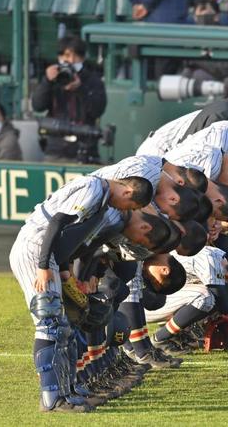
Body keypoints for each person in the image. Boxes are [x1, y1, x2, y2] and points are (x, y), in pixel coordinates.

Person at [9, 175, 152, 412]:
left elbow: (68, 236)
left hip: (48, 255)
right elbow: (57, 222)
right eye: (132, 207)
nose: (128, 211)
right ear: (128, 192)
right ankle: (52, 398)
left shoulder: (101, 197)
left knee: (64, 328)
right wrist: (44, 265)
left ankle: (67, 389)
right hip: (35, 251)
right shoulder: (94, 188)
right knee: (50, 323)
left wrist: (64, 270)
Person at [31, 36, 107, 163]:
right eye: (66, 56)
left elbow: (97, 110)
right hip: (55, 147)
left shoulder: (93, 80)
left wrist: (80, 89)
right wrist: (47, 81)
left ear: (82, 58)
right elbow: (38, 105)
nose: (71, 60)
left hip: (84, 147)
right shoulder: (53, 78)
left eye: (75, 56)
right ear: (60, 57)